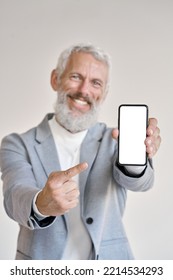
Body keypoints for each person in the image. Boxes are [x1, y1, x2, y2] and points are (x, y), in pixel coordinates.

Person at [0, 43, 161, 260]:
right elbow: (14, 196)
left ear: (103, 94)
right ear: (55, 79)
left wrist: (138, 154)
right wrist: (41, 203)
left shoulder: (115, 139)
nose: (84, 90)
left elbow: (141, 183)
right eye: (76, 76)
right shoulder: (17, 144)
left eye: (96, 83)